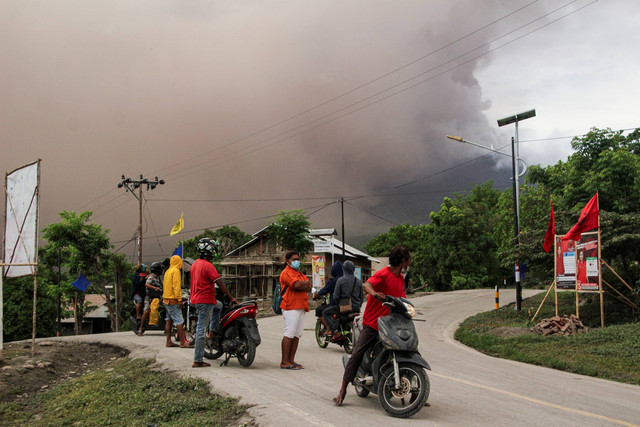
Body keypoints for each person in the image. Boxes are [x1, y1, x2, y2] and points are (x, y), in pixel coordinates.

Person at [333, 245, 412, 406]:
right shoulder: (384, 273)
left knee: (409, 348)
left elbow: (402, 299)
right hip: (373, 322)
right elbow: (366, 285)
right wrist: (374, 293)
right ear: (404, 261)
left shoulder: (400, 279)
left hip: (391, 324)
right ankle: (342, 390)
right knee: (357, 353)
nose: (410, 262)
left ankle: (416, 390)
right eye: (409, 259)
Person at [190, 238, 238, 368]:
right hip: (205, 300)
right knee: (201, 329)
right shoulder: (208, 266)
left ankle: (213, 332)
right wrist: (230, 297)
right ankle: (198, 359)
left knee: (219, 306)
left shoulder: (195, 263)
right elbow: (220, 283)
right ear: (210, 250)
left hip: (198, 299)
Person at [279, 251, 313, 370]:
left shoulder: (298, 273)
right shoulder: (286, 273)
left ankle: (291, 360)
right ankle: (284, 361)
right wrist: (305, 283)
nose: (296, 261)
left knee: (297, 334)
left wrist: (305, 283)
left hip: (301, 306)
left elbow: (309, 287)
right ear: (287, 261)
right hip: (290, 306)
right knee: (289, 332)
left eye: (298, 259)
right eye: (294, 259)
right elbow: (297, 285)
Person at [324, 260, 362, 340]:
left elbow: (336, 296)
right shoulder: (358, 281)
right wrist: (358, 305)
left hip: (345, 307)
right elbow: (361, 297)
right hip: (356, 308)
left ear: (343, 269)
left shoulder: (341, 280)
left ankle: (335, 331)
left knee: (325, 312)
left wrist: (340, 303)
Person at [162, 255, 192, 348]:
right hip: (173, 300)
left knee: (169, 320)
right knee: (179, 321)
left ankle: (168, 341)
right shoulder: (176, 271)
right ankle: (183, 343)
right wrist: (179, 300)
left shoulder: (168, 271)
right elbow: (176, 286)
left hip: (166, 299)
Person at [313, 261, 343, 336]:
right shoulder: (347, 279)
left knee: (320, 310)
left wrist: (317, 295)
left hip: (336, 305)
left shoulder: (334, 281)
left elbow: (324, 290)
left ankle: (329, 328)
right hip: (349, 305)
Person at [138, 262, 164, 336]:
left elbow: (163, 285)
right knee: (146, 311)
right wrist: (155, 288)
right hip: (149, 297)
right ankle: (140, 328)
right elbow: (147, 284)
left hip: (158, 296)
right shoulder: (151, 277)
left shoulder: (159, 278)